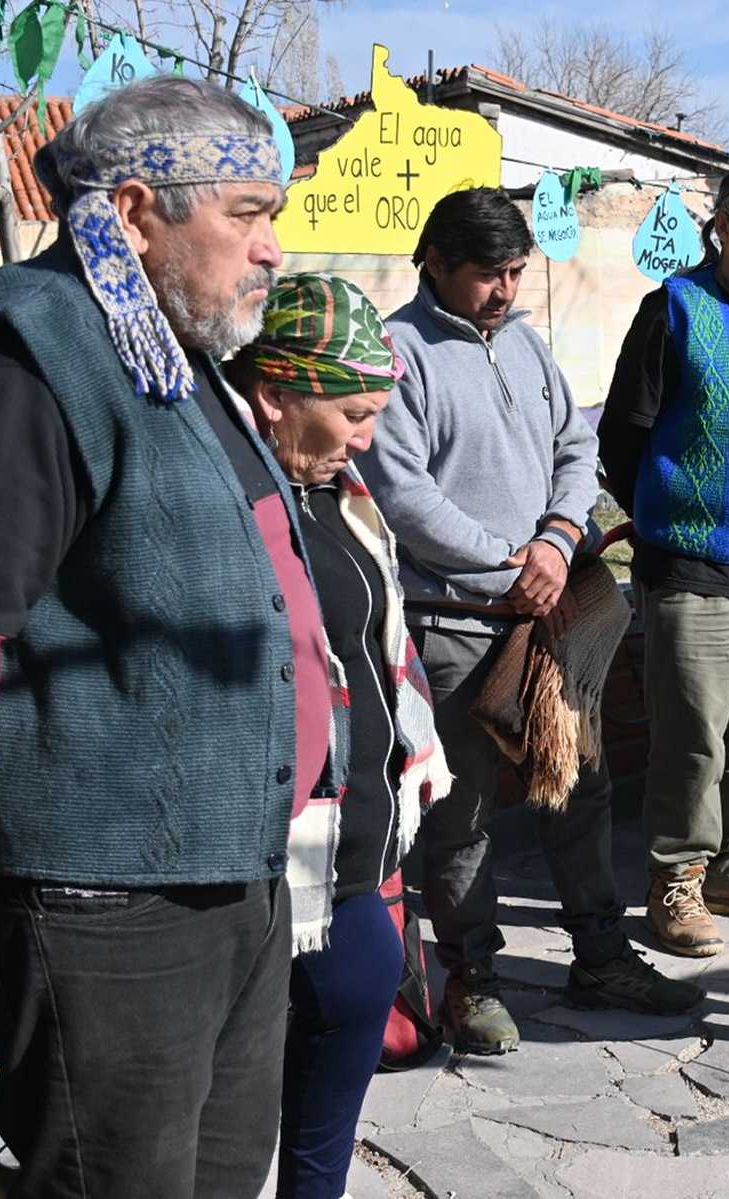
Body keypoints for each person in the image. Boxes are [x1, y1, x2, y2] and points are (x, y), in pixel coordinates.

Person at [0, 77, 315, 1193]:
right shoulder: (18, 361)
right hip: (97, 911)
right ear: (137, 212)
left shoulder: (178, 363)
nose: (271, 250)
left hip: (231, 887)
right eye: (246, 215)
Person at [360, 188, 701, 1056]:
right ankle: (473, 976)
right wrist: (508, 565)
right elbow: (402, 495)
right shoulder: (398, 354)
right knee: (461, 816)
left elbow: (576, 448)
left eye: (515, 271)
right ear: (435, 260)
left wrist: (554, 540)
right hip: (456, 624)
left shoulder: (525, 344)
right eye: (488, 274)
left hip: (549, 616)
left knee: (579, 793)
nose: (505, 290)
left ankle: (600, 953)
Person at [226, 275, 451, 1198]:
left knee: (355, 1002)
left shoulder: (341, 493)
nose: (369, 437)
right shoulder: (231, 497)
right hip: (253, 863)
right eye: (354, 413)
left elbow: (375, 647)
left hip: (352, 850)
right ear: (276, 395)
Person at [599, 163, 729, 958]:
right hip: (695, 560)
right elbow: (623, 434)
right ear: (720, 227)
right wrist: (668, 513)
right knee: (695, 730)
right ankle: (677, 878)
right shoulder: (675, 310)